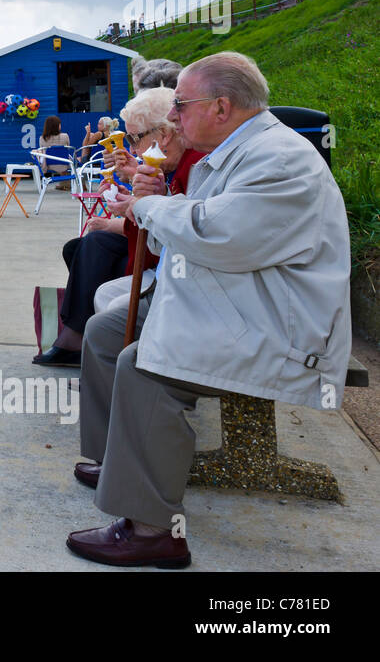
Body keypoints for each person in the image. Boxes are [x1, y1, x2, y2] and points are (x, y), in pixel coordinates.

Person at [67, 52, 351, 567]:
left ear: (221, 106)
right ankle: (120, 465)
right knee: (109, 330)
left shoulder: (279, 158)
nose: (171, 118)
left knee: (144, 364)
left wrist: (149, 207)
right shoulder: (239, 150)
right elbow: (194, 234)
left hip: (276, 328)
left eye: (180, 105)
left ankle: (154, 530)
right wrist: (154, 202)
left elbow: (218, 235)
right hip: (239, 307)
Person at [34, 88, 202, 366]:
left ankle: (81, 339)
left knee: (94, 245)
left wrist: (130, 202)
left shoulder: (192, 165)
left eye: (135, 138)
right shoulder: (171, 165)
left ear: (164, 134)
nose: (132, 148)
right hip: (155, 249)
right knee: (79, 247)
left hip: (167, 261)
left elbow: (173, 223)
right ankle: (83, 337)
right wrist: (127, 185)